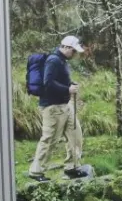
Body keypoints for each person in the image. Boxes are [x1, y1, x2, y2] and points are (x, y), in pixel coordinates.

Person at [27, 34, 85, 182]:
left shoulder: (62, 61)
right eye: (74, 50)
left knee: (75, 135)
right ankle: (36, 172)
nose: (75, 54)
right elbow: (48, 83)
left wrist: (70, 84)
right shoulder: (53, 60)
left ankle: (72, 167)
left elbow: (59, 80)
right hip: (52, 107)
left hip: (65, 105)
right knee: (49, 139)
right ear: (66, 47)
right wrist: (68, 89)